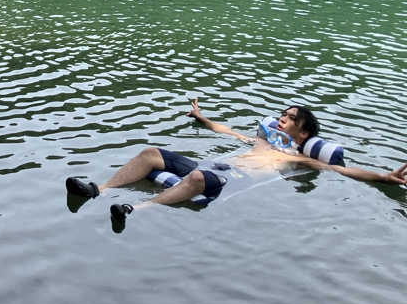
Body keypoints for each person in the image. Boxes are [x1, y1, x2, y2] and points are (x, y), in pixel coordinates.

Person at [65, 98, 407, 230]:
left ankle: (133, 209)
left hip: (230, 180)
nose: (281, 120)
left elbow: (344, 170)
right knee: (150, 153)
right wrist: (202, 118)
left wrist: (384, 177)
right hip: (211, 163)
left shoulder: (300, 159)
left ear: (303, 131)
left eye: (289, 119)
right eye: (282, 115)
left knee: (198, 178)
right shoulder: (262, 139)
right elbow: (225, 131)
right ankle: (98, 189)